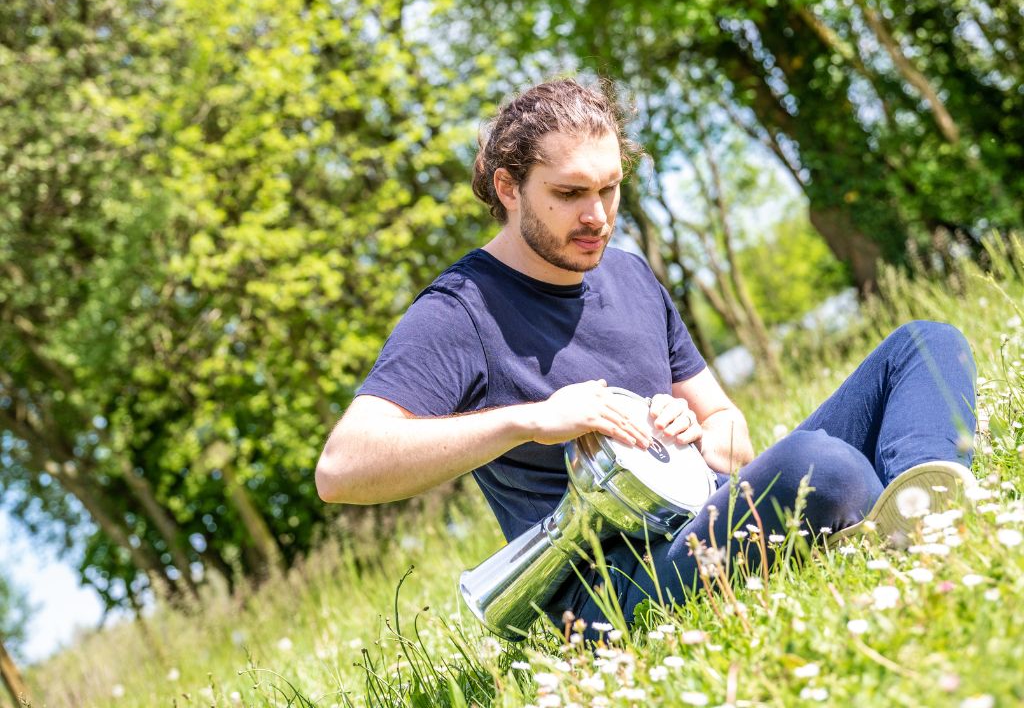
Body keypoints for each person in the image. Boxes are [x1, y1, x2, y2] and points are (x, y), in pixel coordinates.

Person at [315, 78, 977, 631]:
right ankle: (876, 510)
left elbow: (730, 432)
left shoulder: (629, 275)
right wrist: (529, 420)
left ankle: (924, 508)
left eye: (609, 189)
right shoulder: (460, 311)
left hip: (711, 509)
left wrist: (702, 438)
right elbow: (343, 469)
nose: (598, 216)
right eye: (570, 194)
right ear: (508, 189)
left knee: (926, 343)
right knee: (822, 468)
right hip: (612, 588)